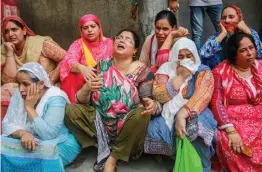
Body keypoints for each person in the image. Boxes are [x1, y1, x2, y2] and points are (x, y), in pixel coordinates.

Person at [65, 29, 161, 172]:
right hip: (100, 123)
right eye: (119, 37)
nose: (121, 40)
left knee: (142, 114)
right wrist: (86, 88)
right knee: (70, 110)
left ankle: (112, 159)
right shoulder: (102, 65)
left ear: (135, 50)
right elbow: (80, 100)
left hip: (127, 126)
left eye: (128, 39)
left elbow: (151, 105)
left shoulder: (142, 71)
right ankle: (105, 146)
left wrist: (153, 106)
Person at [145, 37, 217, 172]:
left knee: (195, 126)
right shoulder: (166, 68)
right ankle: (180, 161)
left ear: (195, 55)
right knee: (152, 129)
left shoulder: (202, 70)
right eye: (180, 56)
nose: (185, 60)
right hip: (167, 112)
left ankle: (203, 166)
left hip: (195, 110)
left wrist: (182, 114)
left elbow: (203, 95)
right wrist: (180, 77)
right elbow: (159, 95)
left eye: (189, 56)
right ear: (174, 56)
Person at [1, 62, 81, 172]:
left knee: (46, 156)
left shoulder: (55, 98)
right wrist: (23, 133)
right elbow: (7, 124)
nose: (21, 89)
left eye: (25, 84)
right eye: (19, 84)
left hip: (58, 142)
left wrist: (30, 108)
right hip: (27, 140)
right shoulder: (19, 95)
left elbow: (48, 134)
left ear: (41, 84)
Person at [211, 33, 262, 171]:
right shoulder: (220, 72)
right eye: (243, 50)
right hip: (233, 124)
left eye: (251, 48)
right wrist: (231, 131)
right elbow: (217, 103)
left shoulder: (261, 67)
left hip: (260, 120)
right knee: (234, 149)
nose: (250, 53)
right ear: (234, 54)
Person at [1, 16, 67, 120]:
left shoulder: (40, 44)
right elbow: (9, 81)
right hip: (24, 89)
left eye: (14, 29)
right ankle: (11, 130)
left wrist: (52, 79)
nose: (10, 34)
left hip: (47, 86)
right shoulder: (4, 51)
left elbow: (68, 59)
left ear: (24, 31)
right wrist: (10, 52)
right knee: (5, 90)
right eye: (6, 31)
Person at [59, 14, 113, 104]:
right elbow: (69, 59)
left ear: (99, 28)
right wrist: (81, 68)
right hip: (84, 84)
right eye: (85, 28)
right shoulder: (78, 44)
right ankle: (76, 104)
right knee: (72, 74)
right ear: (81, 31)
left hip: (106, 81)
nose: (89, 30)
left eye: (93, 26)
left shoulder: (110, 43)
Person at [200, 5, 262, 69]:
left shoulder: (250, 32)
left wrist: (248, 33)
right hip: (221, 74)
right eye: (223, 18)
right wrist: (222, 35)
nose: (227, 20)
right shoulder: (217, 36)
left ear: (239, 18)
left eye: (231, 17)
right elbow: (203, 55)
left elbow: (259, 54)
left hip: (246, 72)